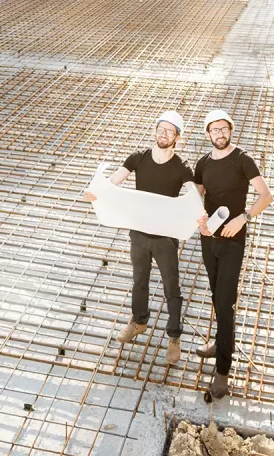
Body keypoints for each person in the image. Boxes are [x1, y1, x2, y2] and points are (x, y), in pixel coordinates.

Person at [83, 109, 193, 365]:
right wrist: (96, 192)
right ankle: (139, 321)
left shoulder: (182, 167)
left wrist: (198, 208)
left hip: (165, 237)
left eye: (170, 131)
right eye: (160, 129)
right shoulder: (138, 158)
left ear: (177, 137)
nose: (163, 134)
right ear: (155, 130)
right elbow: (113, 183)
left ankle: (174, 337)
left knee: (171, 288)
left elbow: (193, 194)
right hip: (139, 232)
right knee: (139, 281)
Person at [194, 108, 274, 398]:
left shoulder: (242, 159)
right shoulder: (203, 163)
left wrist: (244, 217)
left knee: (225, 303)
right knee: (217, 296)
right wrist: (199, 218)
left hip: (233, 241)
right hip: (208, 239)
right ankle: (220, 341)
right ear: (208, 134)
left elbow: (266, 195)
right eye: (214, 130)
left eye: (224, 129)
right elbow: (196, 196)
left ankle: (223, 371)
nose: (220, 134)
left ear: (231, 130)